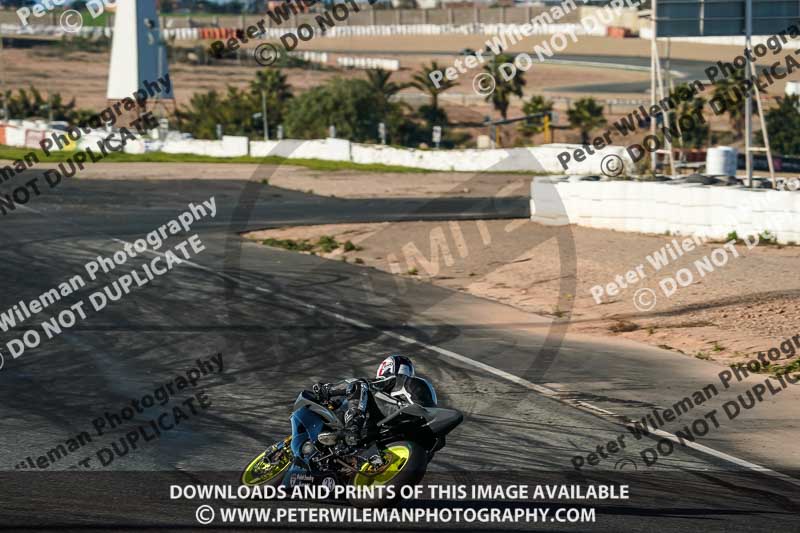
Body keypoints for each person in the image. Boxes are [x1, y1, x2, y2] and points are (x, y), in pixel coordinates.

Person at [312, 355, 432, 445]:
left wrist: (326, 390)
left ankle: (352, 427)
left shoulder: (396, 379)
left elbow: (360, 383)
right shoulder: (412, 386)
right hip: (420, 425)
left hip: (406, 412)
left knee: (360, 385)